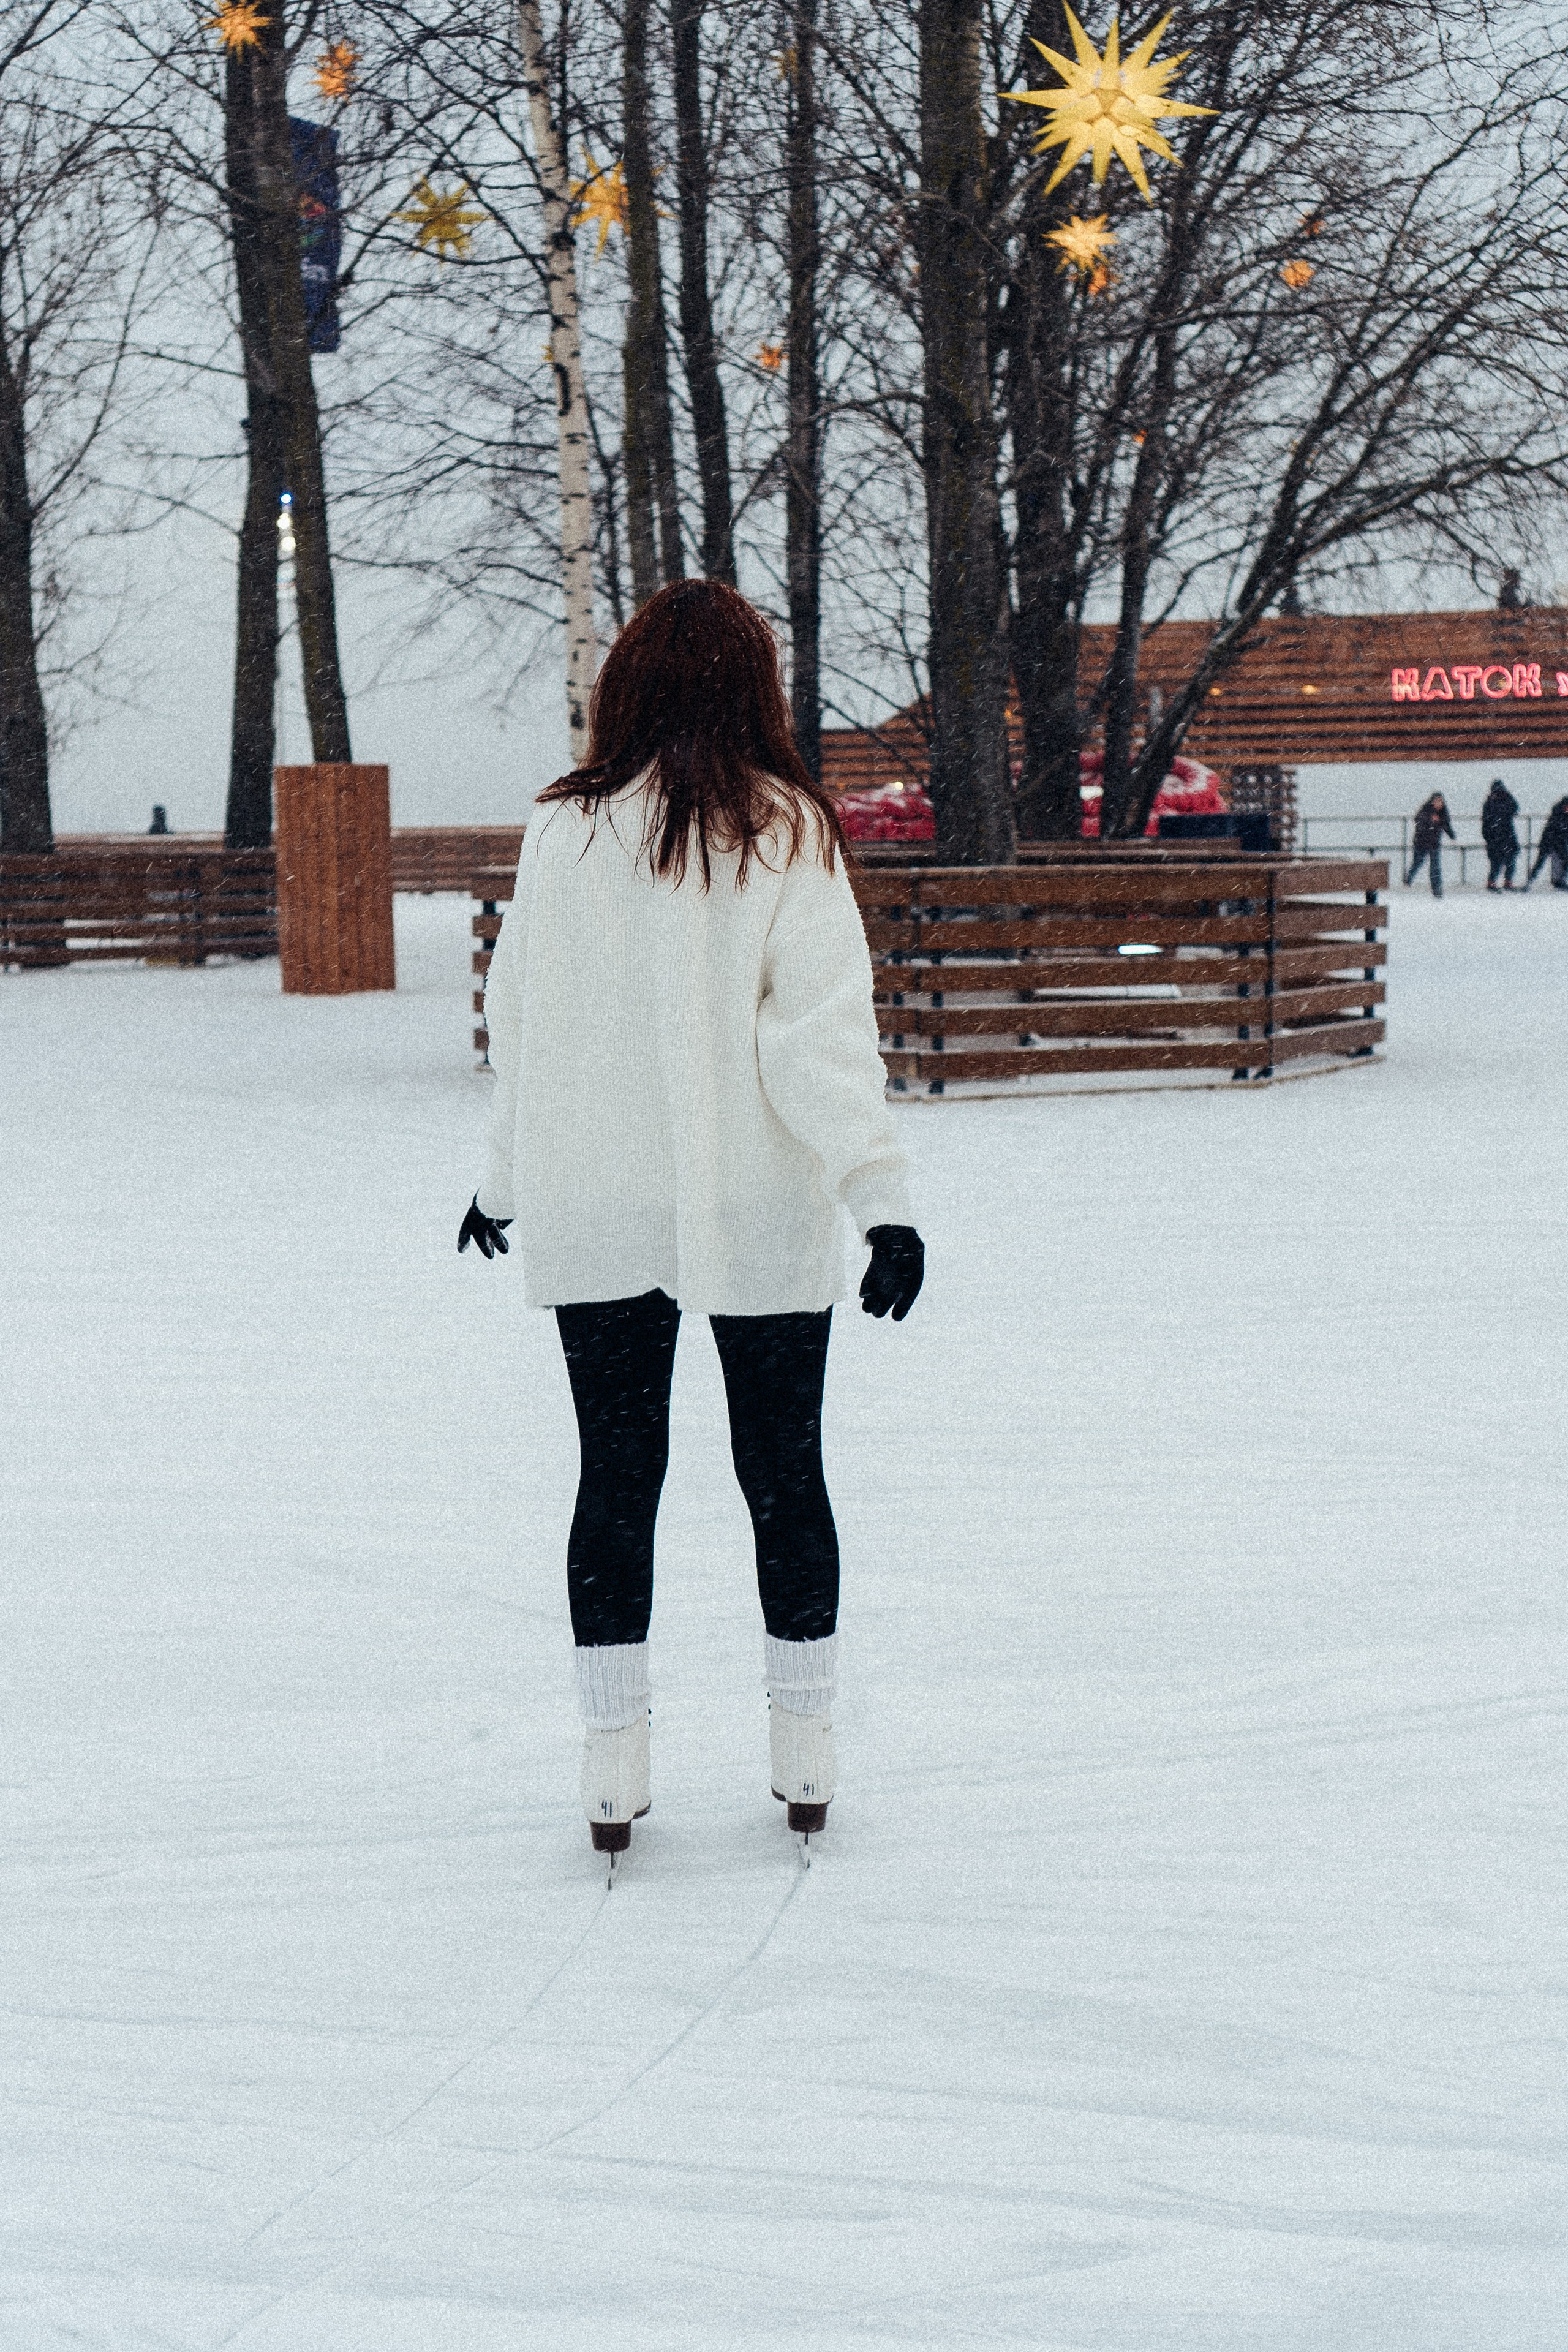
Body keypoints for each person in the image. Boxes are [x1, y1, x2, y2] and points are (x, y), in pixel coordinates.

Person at [458, 579, 923, 1867]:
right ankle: (804, 1748)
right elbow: (819, 1041)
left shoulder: (564, 833)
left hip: (598, 1200)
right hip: (755, 1200)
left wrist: (504, 1182)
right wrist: (877, 1201)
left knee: (617, 1479)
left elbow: (522, 1027)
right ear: (754, 690)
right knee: (783, 1473)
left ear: (627, 688)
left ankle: (612, 1762)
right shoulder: (786, 830)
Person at [1404, 792, 1454, 895]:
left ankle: (1436, 888)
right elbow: (1420, 824)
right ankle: (1408, 879)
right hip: (1421, 843)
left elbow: (1446, 825)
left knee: (1435, 866)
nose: (1439, 804)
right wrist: (1431, 821)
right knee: (1418, 862)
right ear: (1432, 802)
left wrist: (1451, 835)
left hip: (1434, 843)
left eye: (1441, 802)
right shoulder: (1425, 811)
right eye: (1437, 801)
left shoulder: (1443, 813)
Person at [1481, 779, 1520, 891]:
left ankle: (1501, 882)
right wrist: (1489, 837)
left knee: (1505, 861)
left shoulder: (1495, 801)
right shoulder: (1492, 803)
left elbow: (1515, 808)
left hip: (1504, 836)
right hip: (1500, 836)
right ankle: (1496, 882)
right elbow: (1514, 809)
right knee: (1498, 862)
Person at [1527, 794, 1568, 889]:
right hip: (1551, 842)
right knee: (1541, 861)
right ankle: (1532, 879)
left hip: (1554, 842)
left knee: (1543, 861)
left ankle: (1559, 881)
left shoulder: (1558, 814)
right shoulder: (1559, 815)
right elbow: (1558, 830)